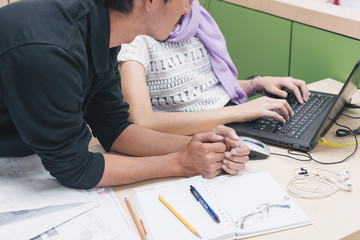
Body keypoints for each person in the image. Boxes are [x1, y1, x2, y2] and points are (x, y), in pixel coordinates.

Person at [0, 0, 250, 189]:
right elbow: (74, 168)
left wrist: (201, 146)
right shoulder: (49, 50)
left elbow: (114, 127)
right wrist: (180, 163)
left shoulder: (104, 27)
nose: (187, 9)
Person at [118, 0, 311, 135]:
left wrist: (257, 84)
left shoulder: (195, 21)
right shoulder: (135, 41)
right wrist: (239, 112)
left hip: (233, 118)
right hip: (195, 133)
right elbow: (142, 121)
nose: (188, 8)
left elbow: (208, 87)